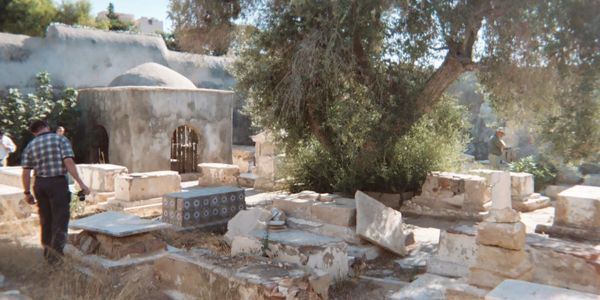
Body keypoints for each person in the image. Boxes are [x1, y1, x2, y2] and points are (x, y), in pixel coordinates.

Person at [21, 120, 90, 265]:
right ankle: (57, 260)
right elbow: (68, 162)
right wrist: (81, 183)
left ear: (34, 132)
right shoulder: (60, 139)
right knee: (60, 221)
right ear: (47, 127)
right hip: (57, 183)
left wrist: (27, 193)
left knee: (46, 221)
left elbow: (26, 172)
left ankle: (48, 255)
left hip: (40, 184)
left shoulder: (30, 146)